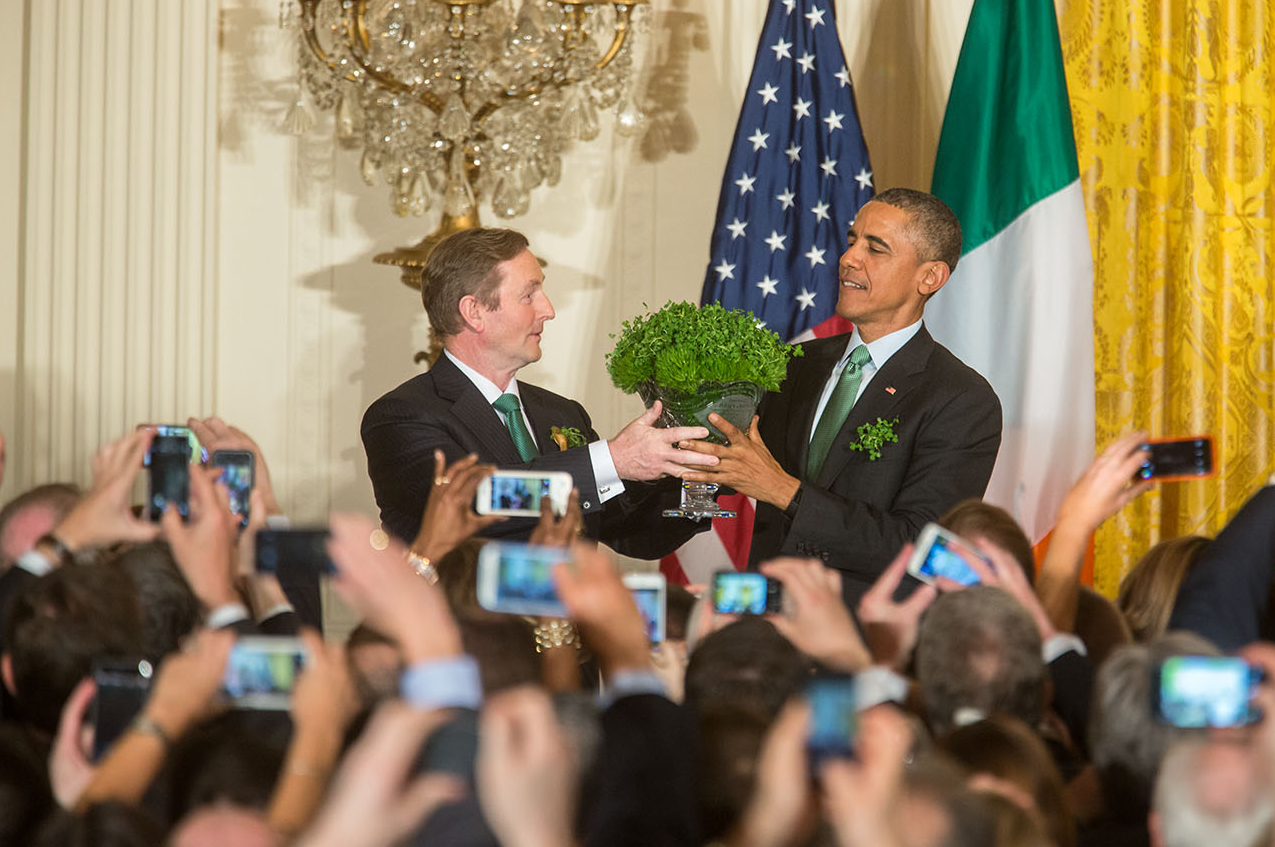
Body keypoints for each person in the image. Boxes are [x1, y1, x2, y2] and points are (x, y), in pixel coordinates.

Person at [683, 189, 1003, 605]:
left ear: (930, 277)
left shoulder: (961, 399)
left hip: (865, 645)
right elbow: (726, 474)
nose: (848, 258)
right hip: (762, 631)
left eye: (876, 248)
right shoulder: (792, 364)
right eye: (852, 240)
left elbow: (919, 547)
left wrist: (783, 490)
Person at [361, 227, 719, 554]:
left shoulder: (562, 413)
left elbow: (626, 529)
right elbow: (477, 500)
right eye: (529, 295)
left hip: (567, 624)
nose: (548, 310)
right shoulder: (402, 416)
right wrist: (612, 460)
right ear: (474, 312)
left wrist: (694, 475)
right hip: (461, 624)